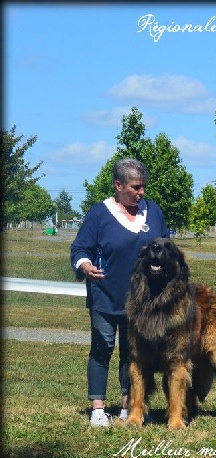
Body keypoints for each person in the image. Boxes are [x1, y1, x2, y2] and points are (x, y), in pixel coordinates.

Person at [70, 158, 169, 427]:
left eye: (143, 187)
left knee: (134, 352)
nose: (141, 193)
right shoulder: (99, 214)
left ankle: (130, 405)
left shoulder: (153, 211)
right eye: (136, 187)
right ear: (118, 185)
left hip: (142, 301)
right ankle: (98, 408)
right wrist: (85, 265)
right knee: (102, 347)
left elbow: (167, 248)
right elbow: (80, 248)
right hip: (105, 295)